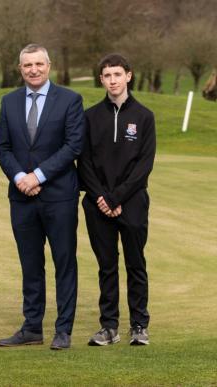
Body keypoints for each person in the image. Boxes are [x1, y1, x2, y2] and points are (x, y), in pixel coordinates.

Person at [0, 44, 84, 350]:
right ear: (20, 68)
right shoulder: (9, 102)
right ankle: (32, 327)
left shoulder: (70, 100)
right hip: (22, 198)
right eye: (27, 65)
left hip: (58, 196)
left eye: (38, 64)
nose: (33, 69)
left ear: (49, 65)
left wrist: (38, 176)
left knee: (64, 263)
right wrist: (20, 177)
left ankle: (63, 329)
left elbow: (73, 146)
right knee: (30, 264)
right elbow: (3, 148)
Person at [79, 53, 156, 346]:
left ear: (128, 76)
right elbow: (84, 162)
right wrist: (102, 198)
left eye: (117, 74)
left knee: (136, 264)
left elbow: (144, 165)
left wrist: (117, 197)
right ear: (102, 79)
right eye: (107, 75)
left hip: (133, 201)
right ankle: (109, 326)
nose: (112, 80)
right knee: (107, 266)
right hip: (98, 204)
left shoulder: (144, 116)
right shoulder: (90, 116)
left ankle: (139, 325)